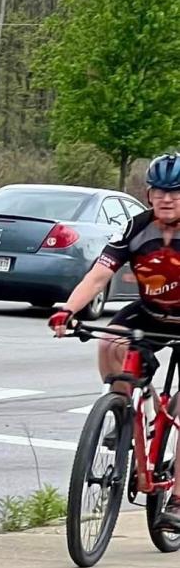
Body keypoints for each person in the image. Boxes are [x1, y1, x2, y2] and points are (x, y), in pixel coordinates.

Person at [50, 151, 180, 529]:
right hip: (151, 311)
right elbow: (99, 274)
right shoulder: (136, 227)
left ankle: (176, 501)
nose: (167, 199)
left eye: (175, 192)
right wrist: (69, 310)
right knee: (108, 341)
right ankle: (122, 411)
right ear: (149, 193)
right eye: (159, 192)